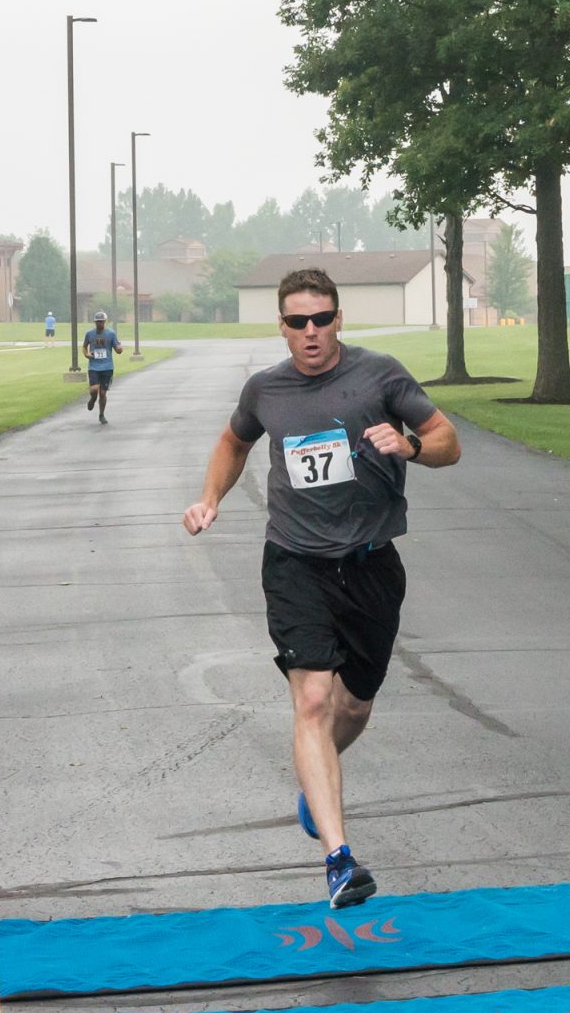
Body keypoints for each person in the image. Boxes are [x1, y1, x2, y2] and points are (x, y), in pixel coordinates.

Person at [180, 267, 460, 908]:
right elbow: (232, 442)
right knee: (311, 700)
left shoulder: (380, 375)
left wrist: (411, 445)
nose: (311, 331)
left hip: (371, 565)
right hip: (295, 563)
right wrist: (210, 497)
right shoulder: (265, 389)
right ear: (281, 326)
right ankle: (340, 860)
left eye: (322, 319)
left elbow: (448, 441)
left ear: (339, 320)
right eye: (298, 321)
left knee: (352, 708)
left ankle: (317, 780)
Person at [82, 312, 123, 423]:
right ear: (94, 322)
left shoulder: (111, 333)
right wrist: (86, 354)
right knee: (94, 389)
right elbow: (84, 346)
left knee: (103, 393)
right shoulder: (89, 334)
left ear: (105, 321)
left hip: (107, 366)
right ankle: (92, 399)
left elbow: (117, 348)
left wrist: (119, 348)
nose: (99, 324)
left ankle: (101, 414)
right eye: (97, 322)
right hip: (94, 366)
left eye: (101, 322)